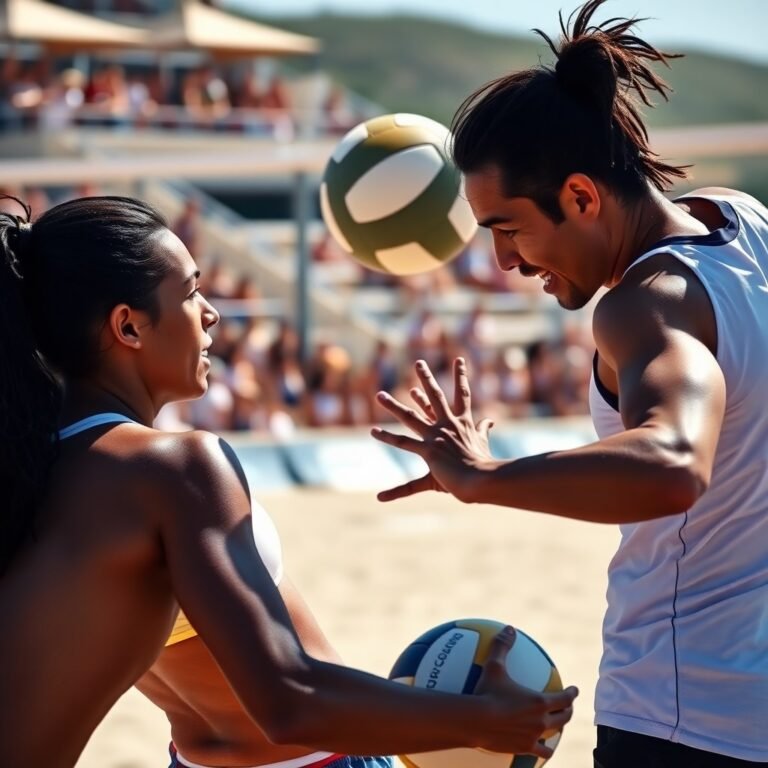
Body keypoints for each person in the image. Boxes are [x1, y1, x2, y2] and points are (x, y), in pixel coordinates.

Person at [0, 195, 577, 768]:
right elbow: (289, 702)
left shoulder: (36, 463)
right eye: (190, 291)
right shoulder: (171, 467)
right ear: (127, 325)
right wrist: (487, 722)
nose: (211, 313)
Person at [370, 1, 768, 766]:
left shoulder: (644, 310)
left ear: (582, 197)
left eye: (509, 229)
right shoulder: (744, 223)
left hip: (685, 720)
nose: (506, 263)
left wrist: (482, 477)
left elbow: (675, 464)